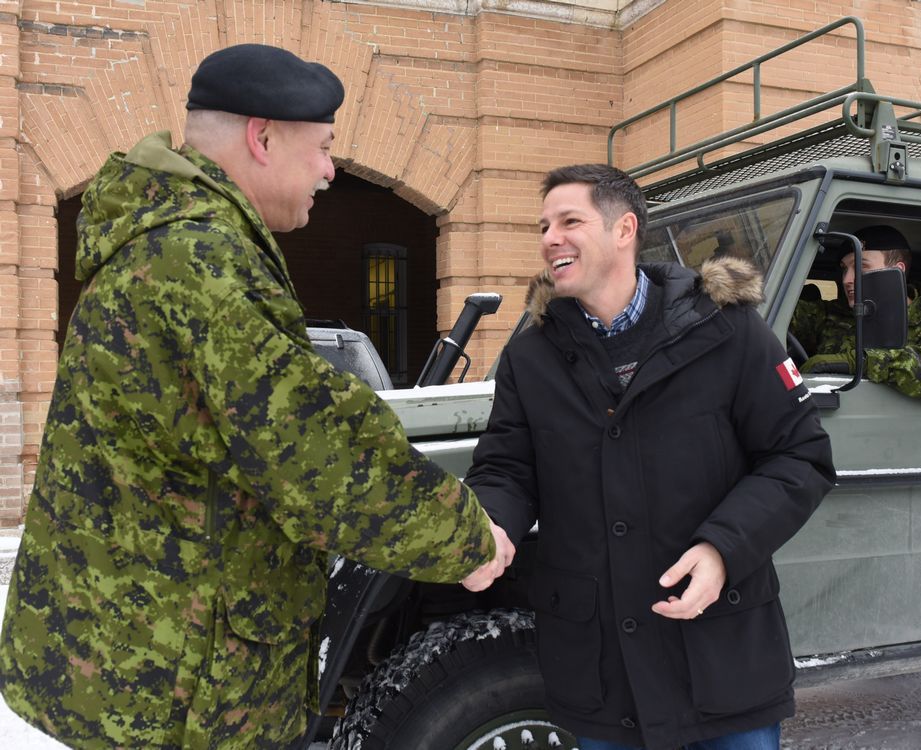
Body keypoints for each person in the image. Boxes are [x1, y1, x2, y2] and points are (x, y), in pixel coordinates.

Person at [0, 44, 512, 749]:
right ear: (262, 137)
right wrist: (468, 536)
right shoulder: (198, 262)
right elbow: (316, 455)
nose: (332, 171)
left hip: (135, 663)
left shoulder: (170, 241)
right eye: (324, 148)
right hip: (170, 695)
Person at [464, 163, 835, 750]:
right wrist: (489, 524)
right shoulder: (530, 357)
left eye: (569, 221)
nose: (549, 238)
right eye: (543, 226)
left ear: (624, 229)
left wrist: (722, 549)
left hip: (722, 661)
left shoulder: (728, 331)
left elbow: (799, 457)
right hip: (604, 675)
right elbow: (507, 468)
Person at [791, 225, 921, 406]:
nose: (847, 279)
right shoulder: (831, 314)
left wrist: (859, 362)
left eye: (861, 267)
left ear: (897, 271)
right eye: (845, 269)